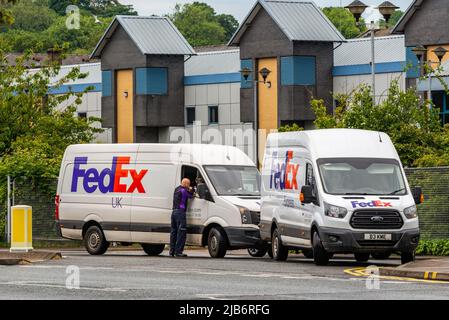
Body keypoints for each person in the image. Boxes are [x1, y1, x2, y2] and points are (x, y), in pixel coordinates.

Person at [170, 178, 194, 257]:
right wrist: (192, 189)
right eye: (188, 184)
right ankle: (178, 252)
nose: (189, 186)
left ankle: (172, 251)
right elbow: (190, 196)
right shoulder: (184, 191)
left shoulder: (177, 189)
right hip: (180, 212)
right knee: (181, 232)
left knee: (174, 232)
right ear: (186, 184)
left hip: (174, 212)